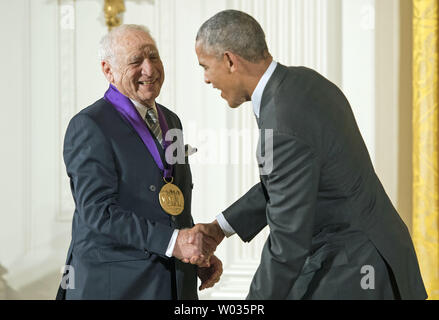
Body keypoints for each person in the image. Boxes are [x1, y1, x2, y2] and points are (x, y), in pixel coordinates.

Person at [193, 10, 427, 300]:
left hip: (355, 270)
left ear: (229, 60)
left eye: (205, 66)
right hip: (377, 255)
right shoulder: (304, 82)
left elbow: (287, 244)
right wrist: (220, 228)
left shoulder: (281, 123)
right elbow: (288, 183)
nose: (205, 79)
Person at [56, 24, 222, 300]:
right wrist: (174, 244)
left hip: (173, 281)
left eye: (153, 57)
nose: (150, 69)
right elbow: (98, 211)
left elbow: (175, 203)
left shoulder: (173, 121)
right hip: (116, 286)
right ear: (108, 71)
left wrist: (195, 256)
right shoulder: (89, 126)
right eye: (136, 61)